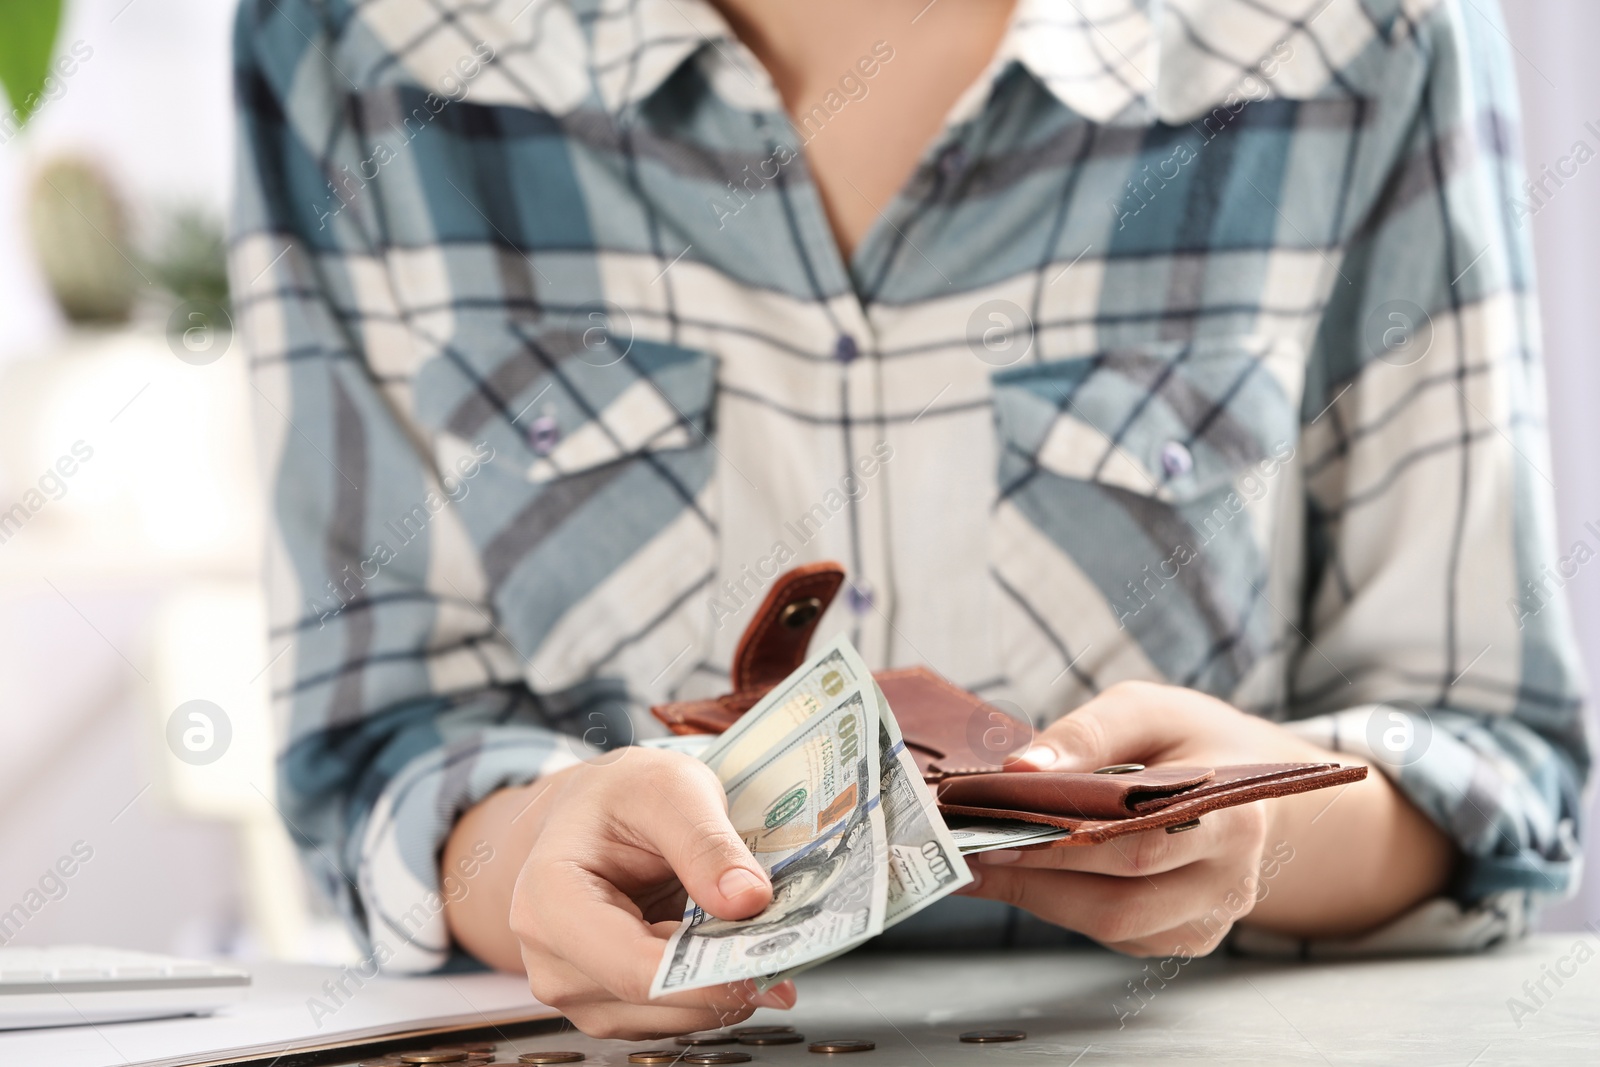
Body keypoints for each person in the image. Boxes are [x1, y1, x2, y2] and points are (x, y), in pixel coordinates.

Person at [231, 0, 1588, 1041]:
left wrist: (1262, 830)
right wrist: (528, 850)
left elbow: (1494, 761)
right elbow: (370, 757)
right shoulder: (351, 45)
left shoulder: (1365, 32)